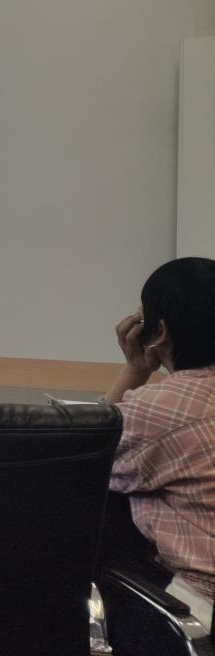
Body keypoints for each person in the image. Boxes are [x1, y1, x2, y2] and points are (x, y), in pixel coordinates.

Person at [105, 256, 215, 629]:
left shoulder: (159, 408)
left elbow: (83, 456)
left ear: (159, 330)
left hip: (198, 607)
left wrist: (135, 370)